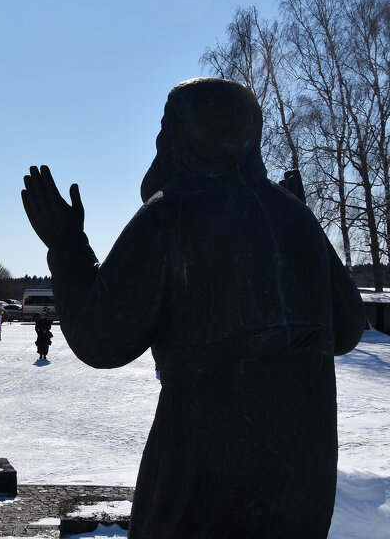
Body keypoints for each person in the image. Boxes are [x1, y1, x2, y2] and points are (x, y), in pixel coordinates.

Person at [22, 77, 367, 538]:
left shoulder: (170, 215)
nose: (160, 143)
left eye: (167, 130)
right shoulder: (297, 216)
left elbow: (102, 338)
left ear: (189, 136)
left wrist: (67, 245)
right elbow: (347, 329)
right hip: (302, 480)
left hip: (203, 478)